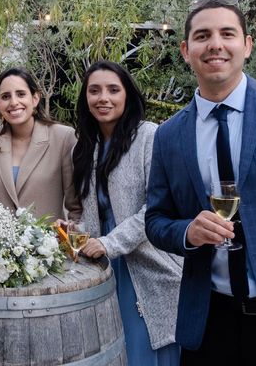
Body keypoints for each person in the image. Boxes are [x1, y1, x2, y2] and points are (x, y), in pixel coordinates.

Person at [144, 0, 256, 365]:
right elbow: (155, 221)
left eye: (227, 33)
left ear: (247, 45)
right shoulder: (169, 135)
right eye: (203, 36)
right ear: (186, 50)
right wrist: (187, 231)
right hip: (210, 321)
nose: (215, 44)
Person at [70, 60, 182, 365]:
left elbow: (157, 207)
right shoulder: (83, 147)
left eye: (112, 90)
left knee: (142, 351)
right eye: (94, 91)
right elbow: (91, 212)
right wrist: (74, 230)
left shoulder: (149, 136)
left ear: (127, 96)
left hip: (147, 263)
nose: (103, 98)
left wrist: (109, 242)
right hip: (103, 267)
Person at [0, 67, 82, 220]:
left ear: (35, 98)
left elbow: (76, 207)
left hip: (51, 241)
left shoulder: (63, 137)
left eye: (21, 94)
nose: (14, 102)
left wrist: (70, 239)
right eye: (5, 97)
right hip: (0, 242)